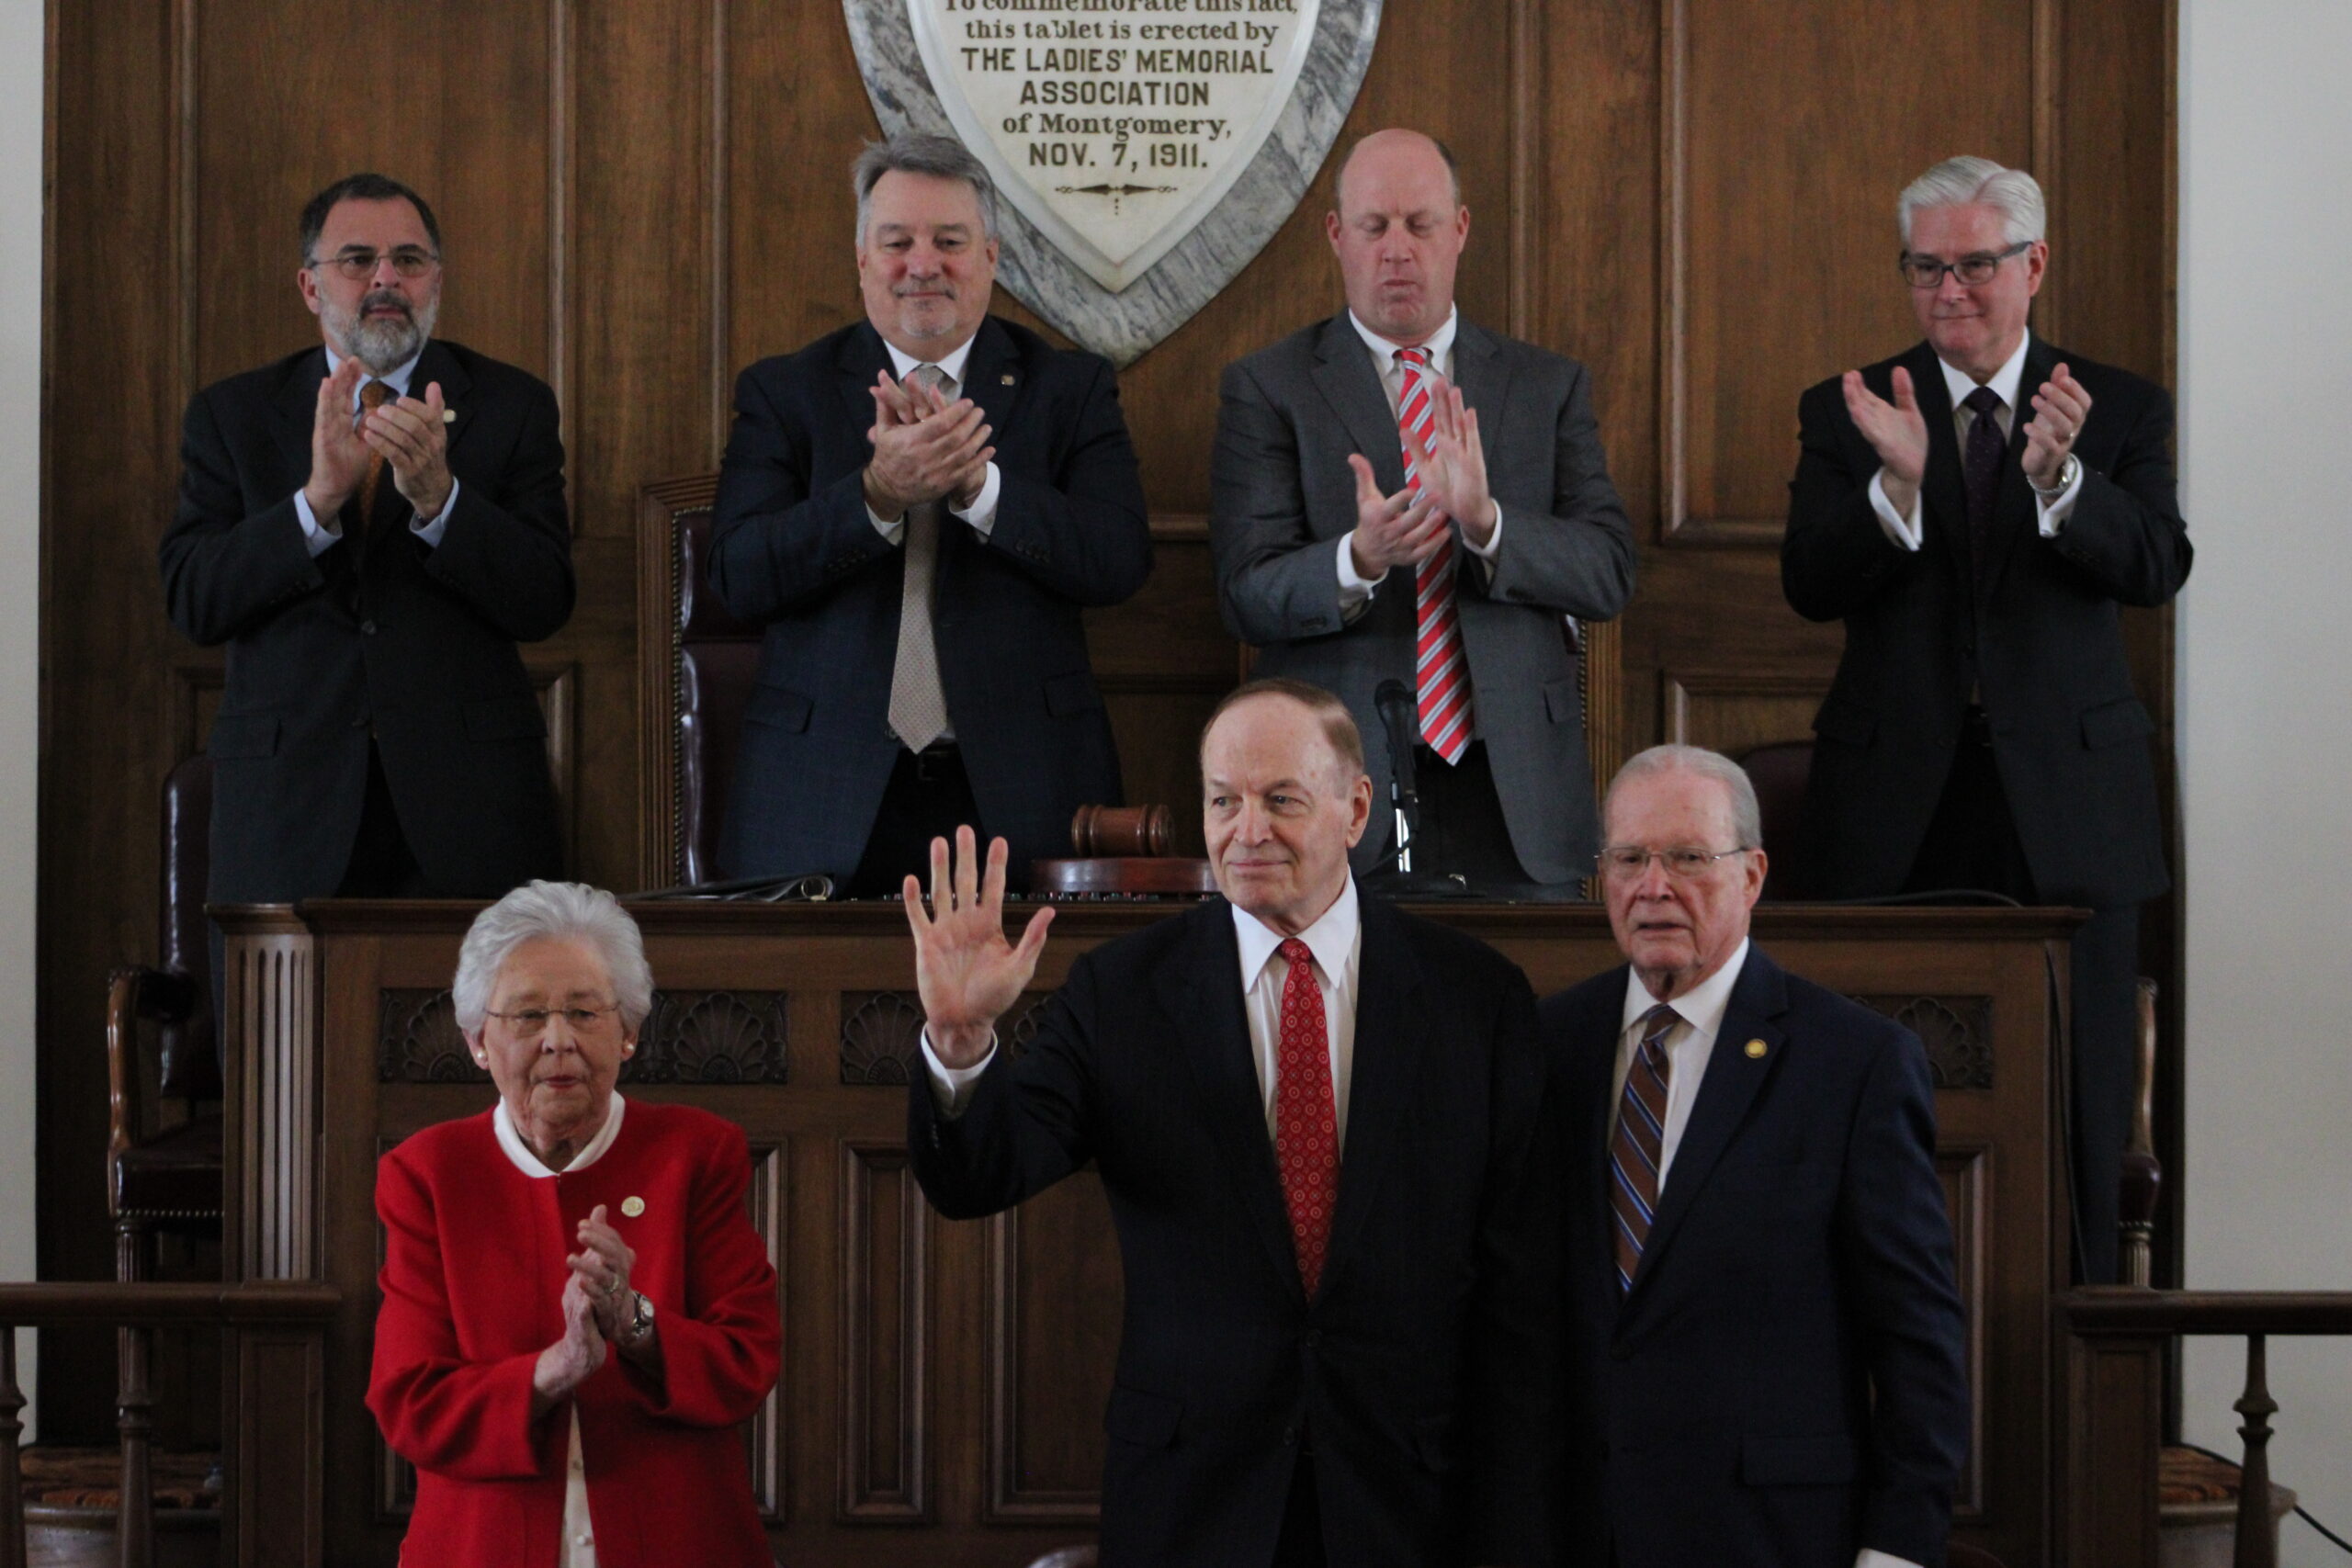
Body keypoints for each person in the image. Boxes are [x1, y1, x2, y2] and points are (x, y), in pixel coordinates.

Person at [901, 679, 1553, 1567]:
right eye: (1223, 801)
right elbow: (981, 1175)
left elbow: (1521, 1293)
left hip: (1411, 1499)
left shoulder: (1476, 998)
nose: (1247, 830)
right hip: (1194, 1502)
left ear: (1356, 807)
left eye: (1281, 799)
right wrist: (960, 1035)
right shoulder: (1122, 992)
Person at [1781, 155, 2191, 1282]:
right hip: (1893, 811)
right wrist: (1895, 491)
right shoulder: (1853, 405)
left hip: (2069, 814)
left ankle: (2075, 1400)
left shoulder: (2113, 408)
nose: (1947, 291)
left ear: (2032, 264)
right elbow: (1810, 582)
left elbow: (2158, 565)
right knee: (1871, 1110)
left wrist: (2062, 483)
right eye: (1925, 269)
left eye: (1972, 265)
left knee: (2077, 1113)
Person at [1540, 745, 1969, 1568]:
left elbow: (1917, 1338)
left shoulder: (1855, 1062)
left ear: (1753, 874)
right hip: (1581, 1532)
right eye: (1629, 859)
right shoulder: (1549, 1044)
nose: (1653, 886)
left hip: (1775, 1536)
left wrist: (1899, 1548)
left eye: (1689, 858)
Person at [707, 133, 1150, 896]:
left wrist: (982, 491)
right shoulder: (786, 391)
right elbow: (737, 577)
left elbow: (1118, 559)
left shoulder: (1068, 388)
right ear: (861, 258)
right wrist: (875, 494)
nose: (923, 264)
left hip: (1021, 787)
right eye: (898, 242)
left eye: (950, 241)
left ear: (991, 256)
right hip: (822, 796)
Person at [1210, 129, 1635, 898]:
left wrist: (1488, 525)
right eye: (1374, 227)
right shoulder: (1270, 387)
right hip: (1341, 778)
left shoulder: (1546, 386)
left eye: (1420, 224)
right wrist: (1358, 559)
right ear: (1338, 237)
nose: (1397, 250)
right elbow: (1246, 591)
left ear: (1461, 230)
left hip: (1515, 785)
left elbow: (1608, 571)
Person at [159, 171, 571, 906]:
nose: (386, 279)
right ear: (312, 287)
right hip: (288, 813)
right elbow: (195, 599)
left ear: (436, 280)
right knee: (284, 1027)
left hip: (468, 814)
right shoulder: (234, 415)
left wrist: (443, 503)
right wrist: (316, 503)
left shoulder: (513, 406)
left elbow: (545, 598)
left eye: (409, 261)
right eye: (357, 261)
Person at [368, 881, 780, 1567]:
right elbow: (411, 1400)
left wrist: (635, 1320)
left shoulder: (695, 1155)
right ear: (477, 1040)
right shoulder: (428, 1176)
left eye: (584, 1012)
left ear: (627, 1033)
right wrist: (552, 1371)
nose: (558, 1041)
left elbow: (748, 1358)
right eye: (528, 1016)